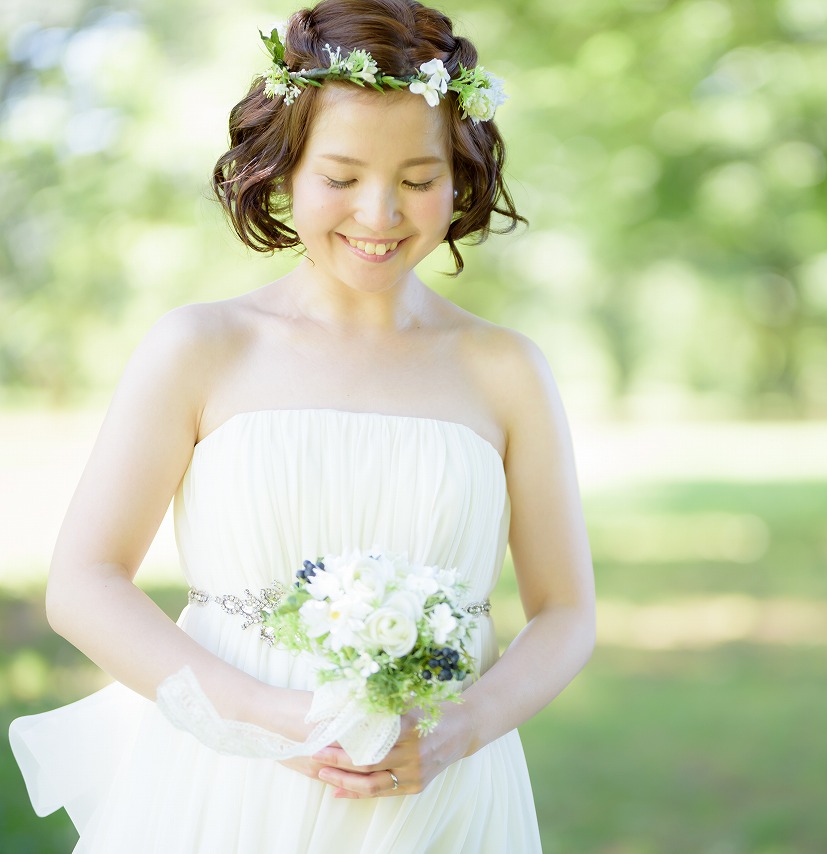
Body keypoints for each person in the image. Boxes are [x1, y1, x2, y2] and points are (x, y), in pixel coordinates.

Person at [8, 0, 595, 850]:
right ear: (284, 169)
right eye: (342, 175)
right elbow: (85, 583)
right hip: (231, 777)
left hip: (438, 787)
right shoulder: (199, 348)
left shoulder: (505, 369)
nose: (380, 213)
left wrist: (462, 729)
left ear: (459, 178)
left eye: (418, 180)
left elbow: (566, 610)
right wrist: (274, 721)